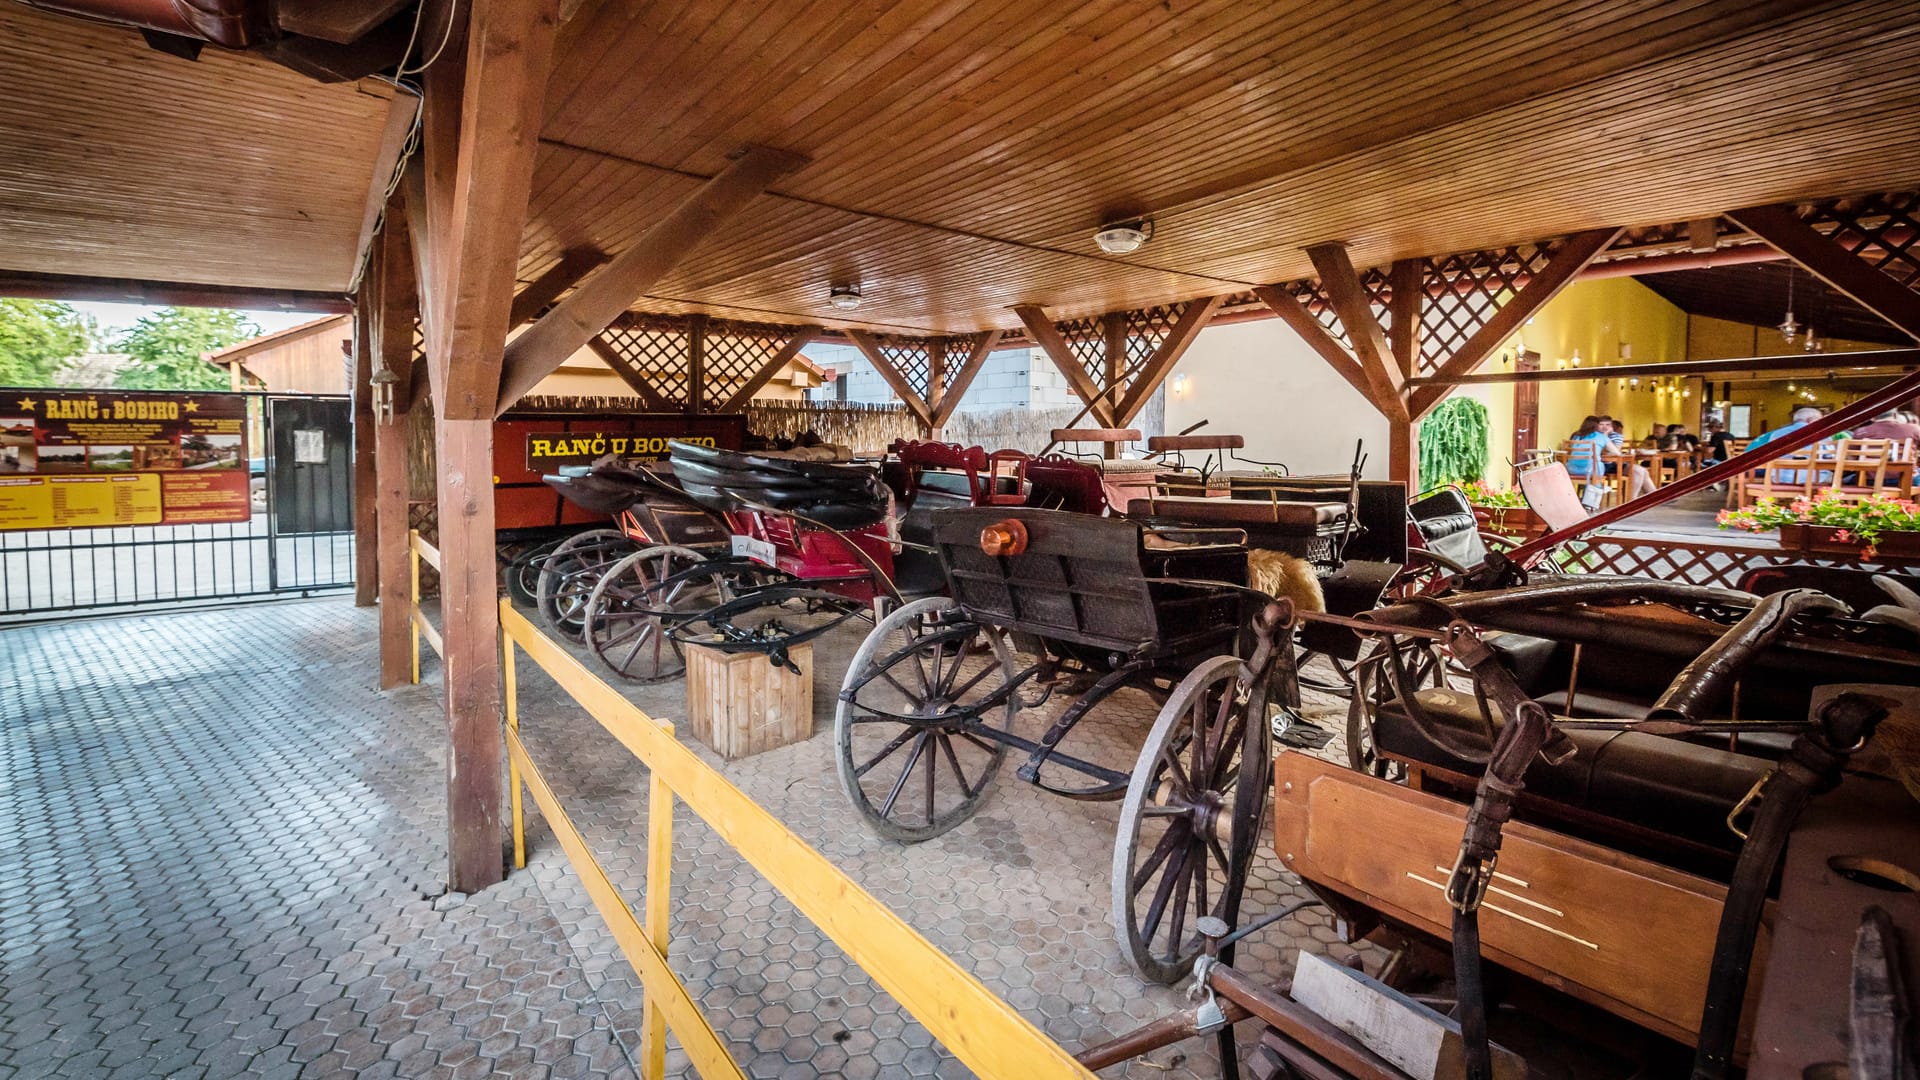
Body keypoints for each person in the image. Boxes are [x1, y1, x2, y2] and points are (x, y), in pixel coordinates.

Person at [1851, 409, 1920, 443]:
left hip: (1868, 470)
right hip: (1906, 471)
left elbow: (1853, 458)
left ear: (1872, 418)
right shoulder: (1914, 429)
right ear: (1896, 415)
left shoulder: (1860, 432)